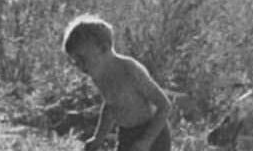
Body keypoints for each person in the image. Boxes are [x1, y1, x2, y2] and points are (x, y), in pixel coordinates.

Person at [61, 15, 173, 151]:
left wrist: (145, 142)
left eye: (82, 59)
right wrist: (98, 138)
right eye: (75, 62)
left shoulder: (129, 70)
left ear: (104, 48)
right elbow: (110, 106)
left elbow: (164, 105)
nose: (79, 66)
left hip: (154, 134)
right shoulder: (99, 75)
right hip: (127, 133)